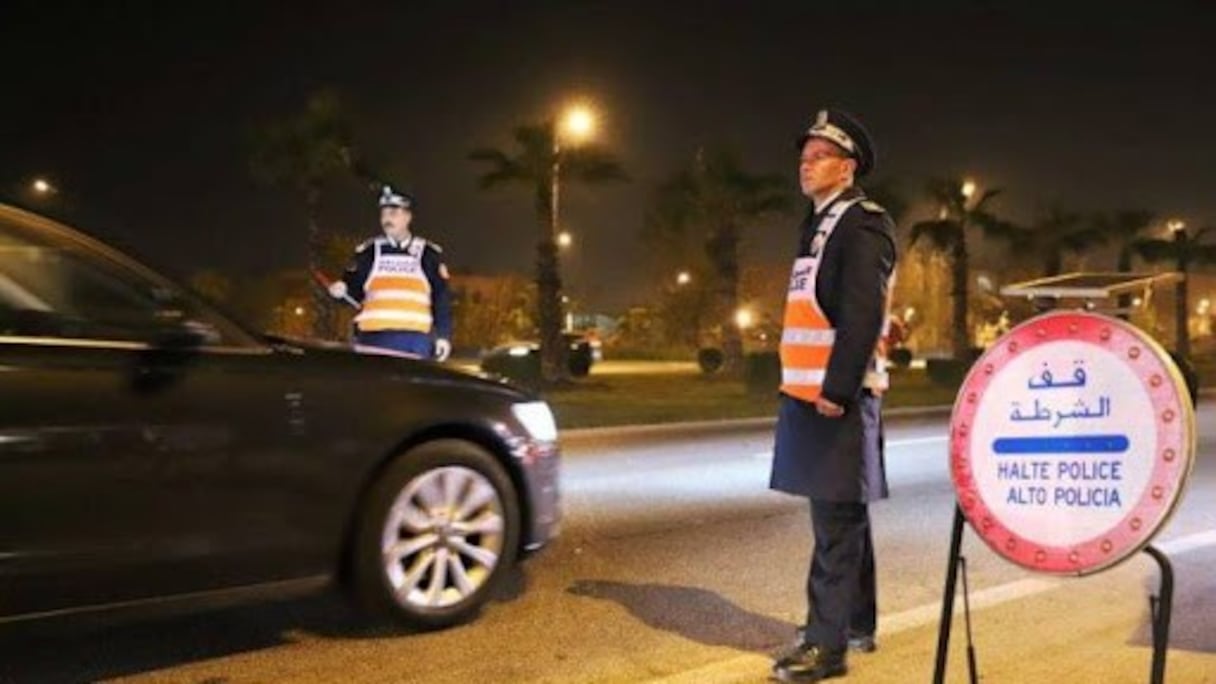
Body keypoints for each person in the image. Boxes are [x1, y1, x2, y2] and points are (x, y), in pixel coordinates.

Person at [769, 108, 898, 683]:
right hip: (809, 393)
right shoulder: (819, 222)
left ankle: (827, 648)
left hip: (834, 398)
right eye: (804, 156)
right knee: (845, 514)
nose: (806, 164)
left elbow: (863, 313)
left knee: (835, 523)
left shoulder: (861, 223)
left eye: (818, 155)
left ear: (846, 168)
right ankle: (855, 623)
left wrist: (837, 389)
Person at [328, 185, 452, 361]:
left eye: (393, 213)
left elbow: (441, 299)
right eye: (384, 214)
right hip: (373, 339)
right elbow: (352, 293)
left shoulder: (428, 254)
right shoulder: (368, 252)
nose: (387, 219)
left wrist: (443, 336)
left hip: (415, 342)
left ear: (408, 217)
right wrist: (340, 290)